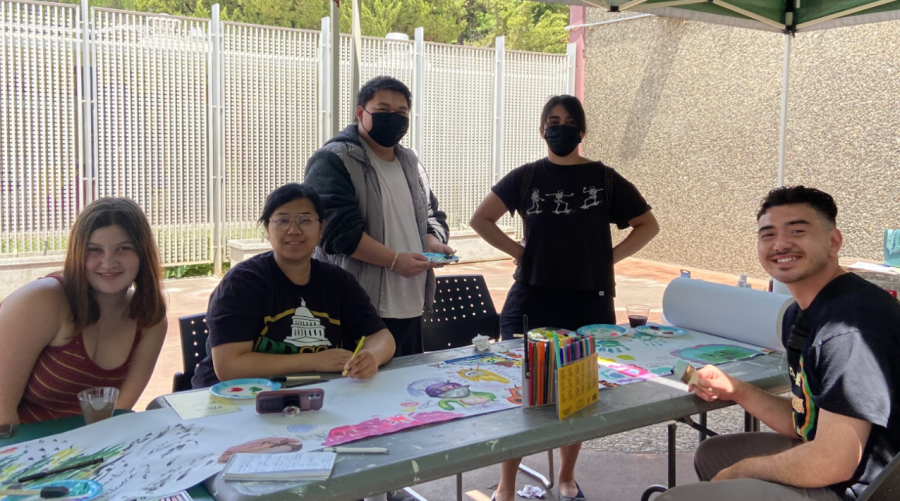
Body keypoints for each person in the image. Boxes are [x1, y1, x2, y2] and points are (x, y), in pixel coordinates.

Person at [470, 95, 659, 501]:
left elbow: (647, 225)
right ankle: (505, 484)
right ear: (542, 130)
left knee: (579, 391)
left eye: (570, 121)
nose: (561, 127)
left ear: (582, 132)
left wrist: (608, 258)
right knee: (520, 393)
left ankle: (566, 476)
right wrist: (519, 252)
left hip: (589, 301)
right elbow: (480, 219)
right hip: (530, 298)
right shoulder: (525, 177)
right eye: (553, 121)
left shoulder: (605, 178)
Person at [658, 186, 900, 501]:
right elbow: (804, 423)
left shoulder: (849, 329)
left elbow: (833, 460)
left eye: (797, 231)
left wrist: (742, 471)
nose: (781, 244)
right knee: (714, 454)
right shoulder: (802, 314)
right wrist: (738, 390)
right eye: (768, 234)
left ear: (833, 241)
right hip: (839, 466)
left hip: (862, 489)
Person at [304, 76, 453, 358]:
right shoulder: (334, 159)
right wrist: (394, 261)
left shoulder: (411, 161)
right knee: (359, 389)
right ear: (361, 112)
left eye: (401, 113)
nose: (393, 118)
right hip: (356, 307)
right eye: (383, 110)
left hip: (411, 302)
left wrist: (433, 243)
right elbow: (336, 231)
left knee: (406, 392)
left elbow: (432, 213)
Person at [191, 183, 395, 388]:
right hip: (236, 398)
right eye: (282, 221)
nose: (294, 230)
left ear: (321, 228)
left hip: (318, 393)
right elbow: (229, 366)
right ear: (267, 230)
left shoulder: (338, 281)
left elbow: (381, 336)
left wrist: (372, 356)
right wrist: (314, 361)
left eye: (305, 220)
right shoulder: (242, 283)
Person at [0, 198, 168, 425]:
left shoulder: (150, 320)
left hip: (92, 449)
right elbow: (2, 413)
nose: (108, 262)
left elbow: (117, 415)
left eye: (124, 248)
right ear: (78, 253)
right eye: (94, 250)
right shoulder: (42, 300)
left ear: (143, 254)